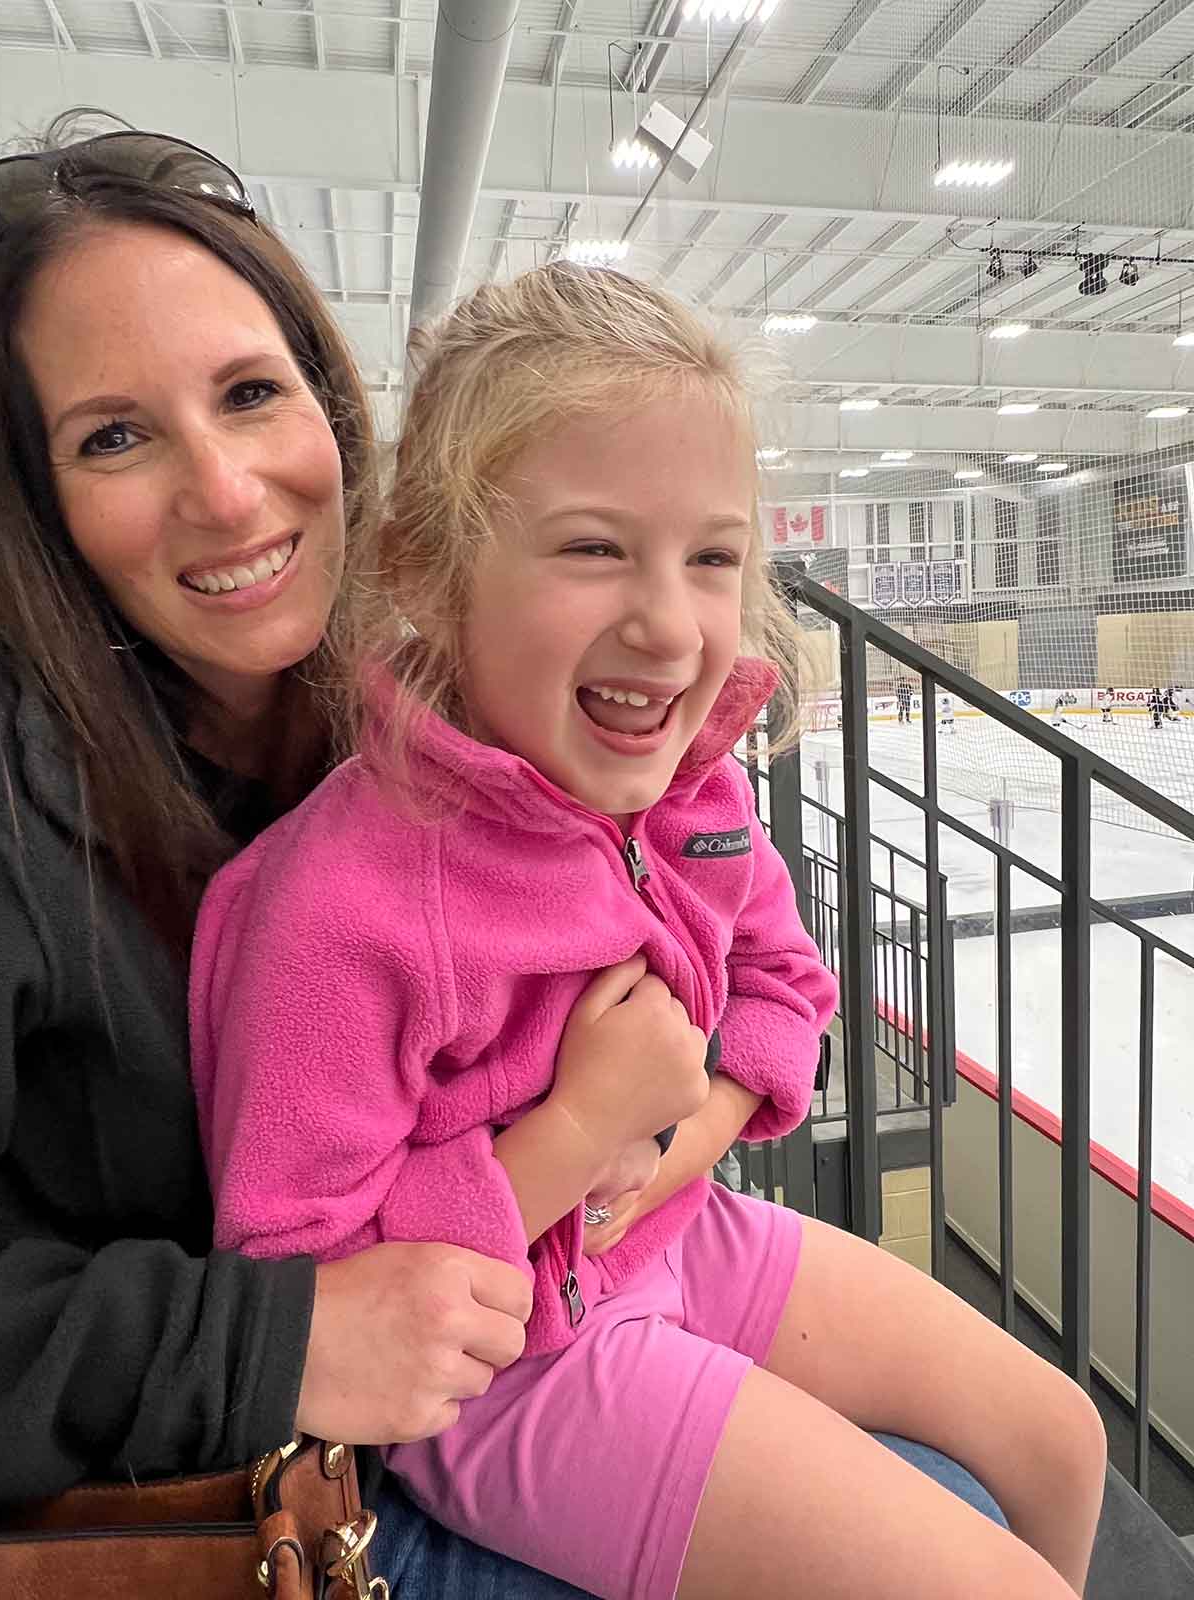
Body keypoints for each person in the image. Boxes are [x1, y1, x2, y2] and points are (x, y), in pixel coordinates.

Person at [191, 265, 1106, 1600]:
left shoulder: (691, 787)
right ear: (429, 573)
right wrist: (572, 1137)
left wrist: (689, 1130)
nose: (671, 625)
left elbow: (786, 978)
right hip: (519, 1370)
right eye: (593, 548)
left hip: (677, 1231)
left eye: (713, 557)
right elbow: (302, 1279)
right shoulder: (347, 900)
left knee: (1062, 1436)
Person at [0, 114, 625, 1598]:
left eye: (248, 393)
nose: (224, 494)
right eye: (115, 435)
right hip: (247, 1497)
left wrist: (653, 1108)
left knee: (1019, 1463)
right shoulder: (16, 810)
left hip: (506, 1364)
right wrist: (274, 1340)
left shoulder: (418, 723)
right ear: (37, 508)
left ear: (331, 411)